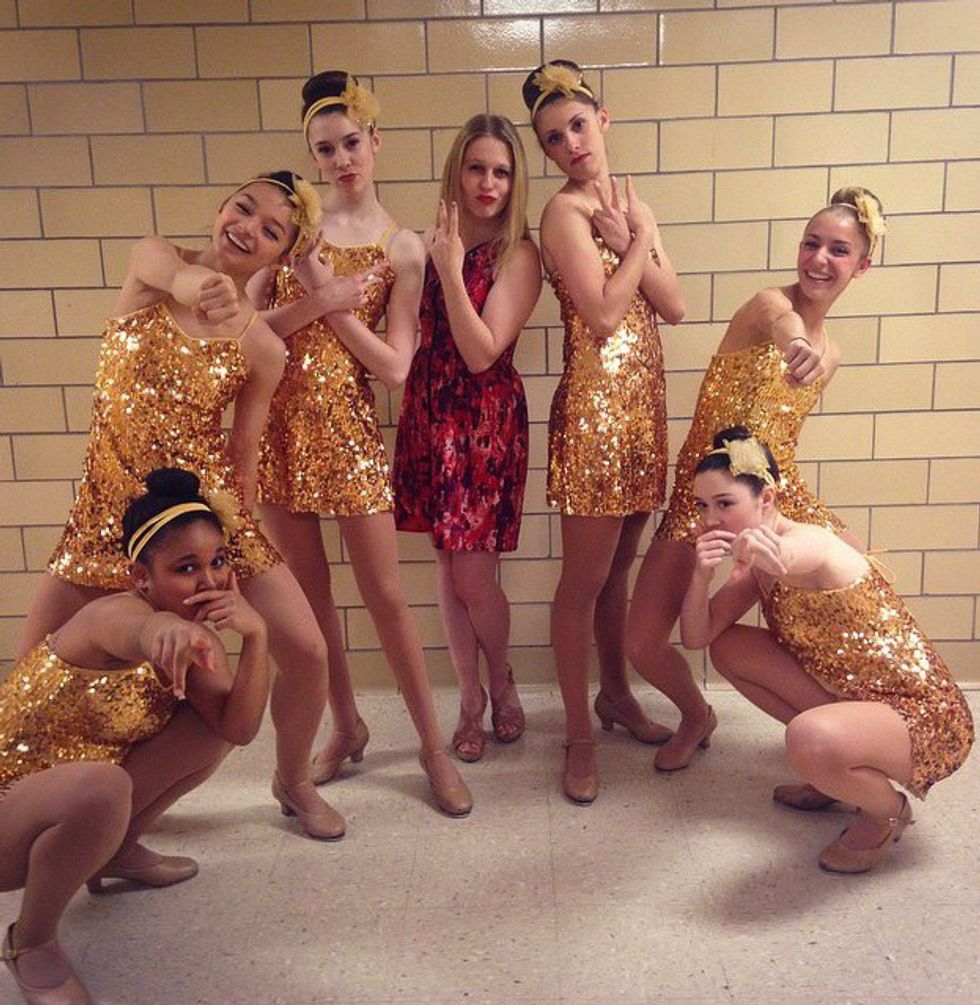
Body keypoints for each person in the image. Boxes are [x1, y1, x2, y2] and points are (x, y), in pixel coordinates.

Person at [17, 172, 346, 841]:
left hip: (203, 517)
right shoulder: (154, 264)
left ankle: (294, 780)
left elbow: (244, 454)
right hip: (106, 513)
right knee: (31, 673)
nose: (247, 228)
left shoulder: (263, 347)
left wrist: (231, 554)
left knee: (309, 649)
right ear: (222, 207)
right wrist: (197, 285)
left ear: (280, 256)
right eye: (243, 208)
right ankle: (56, 819)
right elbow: (174, 275)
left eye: (270, 230)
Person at [247, 71, 471, 816]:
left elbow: (396, 367)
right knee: (311, 604)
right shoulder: (290, 230)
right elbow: (243, 329)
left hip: (347, 433)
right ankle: (345, 725)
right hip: (278, 433)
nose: (341, 159)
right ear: (311, 156)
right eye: (325, 149)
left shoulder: (401, 246)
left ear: (375, 143)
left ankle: (433, 749)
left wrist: (333, 303)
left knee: (386, 598)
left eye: (351, 143)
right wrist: (309, 286)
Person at [627, 187, 884, 772]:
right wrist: (796, 343)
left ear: (862, 266)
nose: (820, 259)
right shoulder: (768, 306)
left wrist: (810, 531)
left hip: (772, 500)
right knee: (641, 643)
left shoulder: (833, 354)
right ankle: (697, 714)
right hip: (699, 501)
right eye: (811, 243)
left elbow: (781, 443)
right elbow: (782, 322)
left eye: (839, 250)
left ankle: (847, 739)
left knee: (853, 583)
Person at [1, 468, 271, 1005]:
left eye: (218, 561)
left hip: (68, 803)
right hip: (8, 808)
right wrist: (162, 631)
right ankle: (29, 943)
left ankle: (114, 852)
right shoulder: (111, 614)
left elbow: (239, 729)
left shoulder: (196, 639)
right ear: (141, 577)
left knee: (210, 729)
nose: (210, 581)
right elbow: (138, 631)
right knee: (104, 787)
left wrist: (257, 636)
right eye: (186, 568)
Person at [680, 428, 973, 873]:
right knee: (728, 646)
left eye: (725, 504)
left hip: (924, 715)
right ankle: (834, 774)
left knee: (807, 738)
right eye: (702, 506)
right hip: (858, 698)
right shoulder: (755, 568)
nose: (711, 519)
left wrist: (761, 552)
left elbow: (791, 557)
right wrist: (700, 576)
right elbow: (697, 637)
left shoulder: (812, 541)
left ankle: (886, 812)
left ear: (766, 498)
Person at [521, 60, 686, 803]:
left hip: (642, 410)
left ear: (603, 119)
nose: (571, 144)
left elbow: (674, 306)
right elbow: (604, 313)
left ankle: (615, 695)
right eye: (553, 138)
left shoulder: (630, 205)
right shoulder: (563, 215)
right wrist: (638, 241)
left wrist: (637, 231)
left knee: (618, 571)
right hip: (593, 415)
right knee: (582, 582)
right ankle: (578, 737)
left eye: (578, 125)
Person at [392, 114, 541, 763]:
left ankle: (501, 677)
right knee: (447, 569)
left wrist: (451, 272)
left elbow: (482, 352)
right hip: (430, 413)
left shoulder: (520, 255)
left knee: (475, 574)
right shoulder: (425, 245)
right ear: (457, 170)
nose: (488, 183)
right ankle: (470, 696)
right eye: (477, 167)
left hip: (483, 421)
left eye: (502, 171)